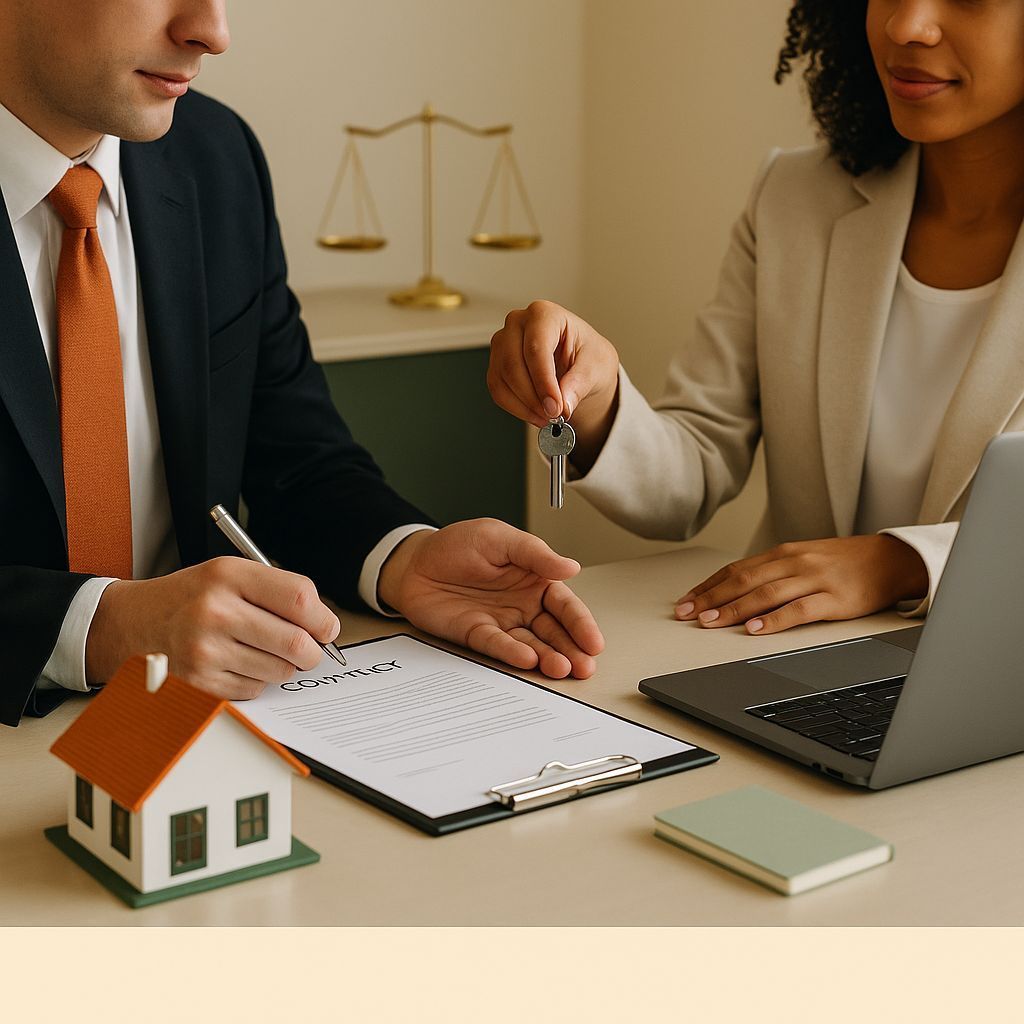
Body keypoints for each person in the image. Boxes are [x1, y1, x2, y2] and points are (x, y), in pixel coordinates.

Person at [0, 0, 604, 728]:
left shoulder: (215, 157)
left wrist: (404, 559)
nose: (212, 33)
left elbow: (297, 459)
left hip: (200, 730)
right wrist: (102, 629)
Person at [489, 0, 1024, 639]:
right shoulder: (795, 198)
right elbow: (692, 472)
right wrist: (599, 400)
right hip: (782, 666)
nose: (905, 25)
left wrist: (904, 563)